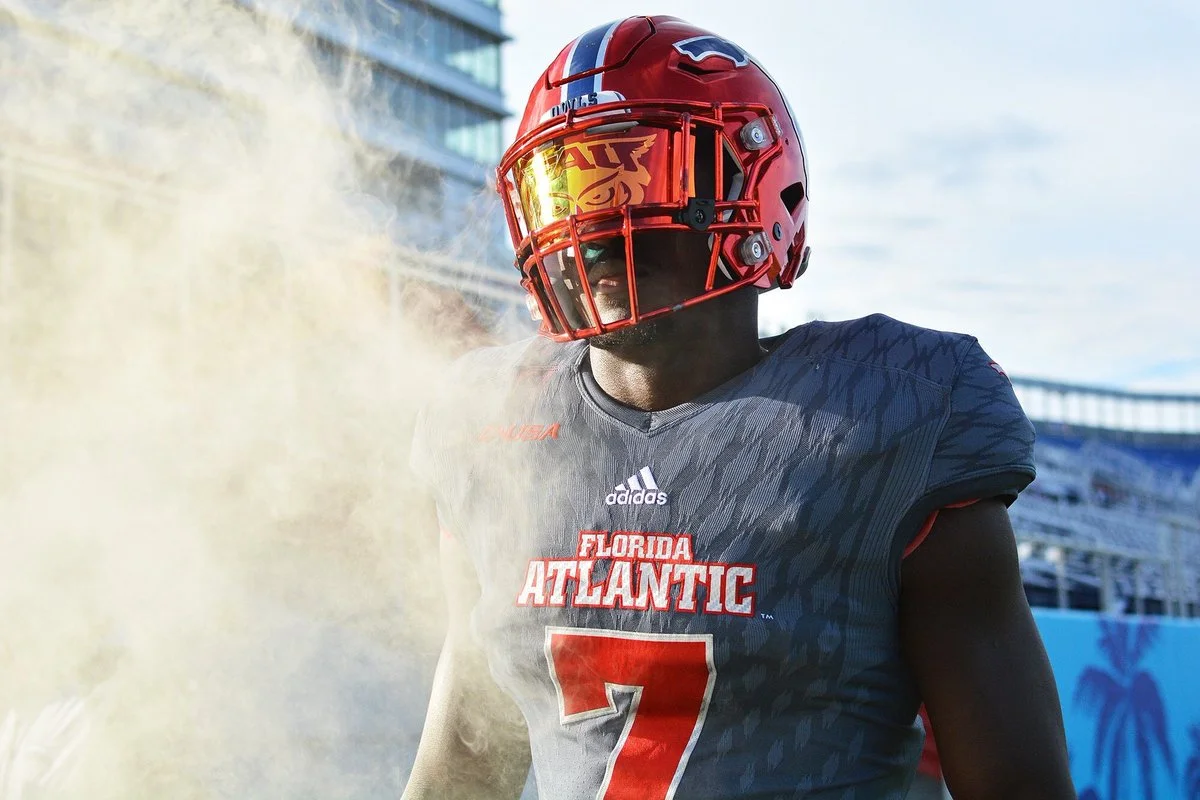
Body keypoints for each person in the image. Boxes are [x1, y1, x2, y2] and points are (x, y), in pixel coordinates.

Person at [404, 15, 1075, 800]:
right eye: (566, 188)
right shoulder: (491, 424)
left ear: (754, 183)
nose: (592, 224)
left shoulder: (889, 415)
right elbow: (468, 756)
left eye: (638, 174)